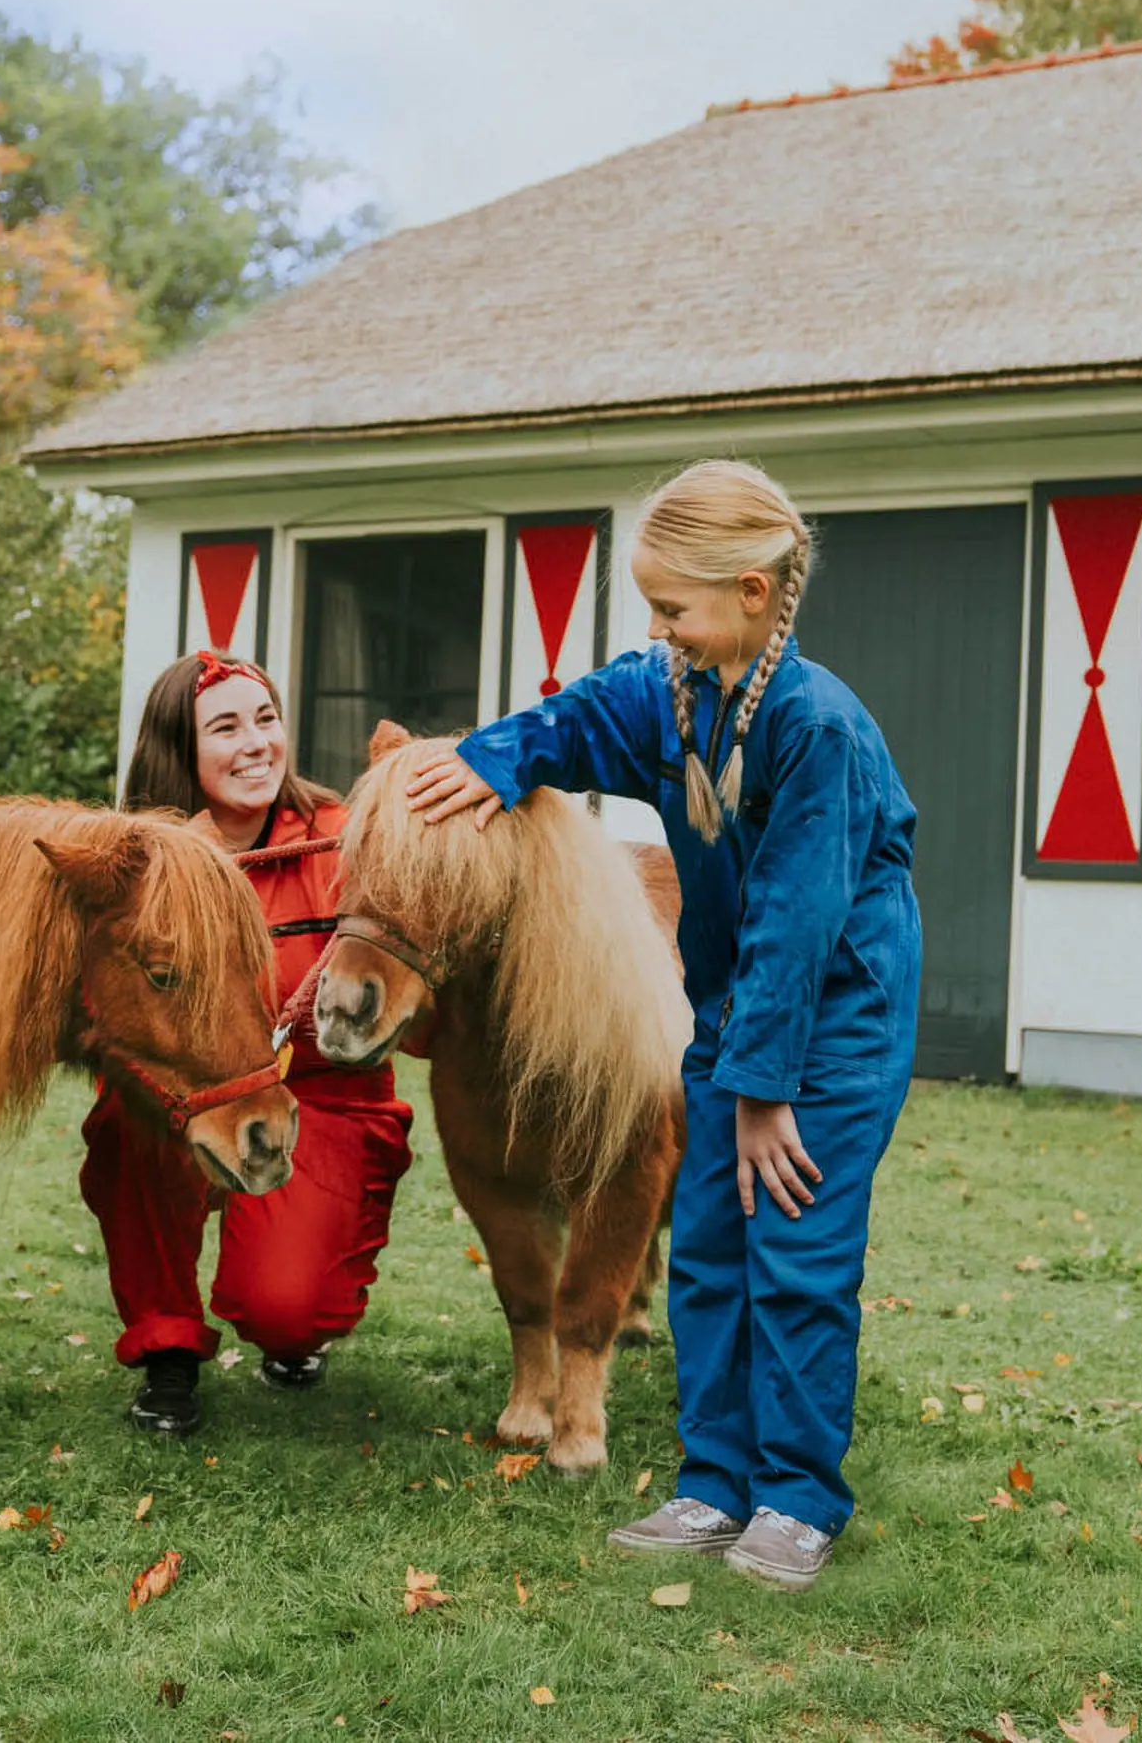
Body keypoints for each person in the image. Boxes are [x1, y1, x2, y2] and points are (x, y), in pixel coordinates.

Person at [400, 459, 920, 1594]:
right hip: (736, 1010)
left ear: (750, 592)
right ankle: (715, 1482)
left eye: (671, 606)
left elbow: (799, 921)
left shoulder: (816, 727)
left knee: (795, 1252)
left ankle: (796, 1500)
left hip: (835, 1018)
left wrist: (765, 1095)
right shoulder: (675, 690)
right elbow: (578, 718)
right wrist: (486, 763)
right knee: (711, 1250)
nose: (655, 627)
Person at [81, 650, 417, 1436]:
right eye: (226, 728)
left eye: (266, 719)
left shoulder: (342, 842)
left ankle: (291, 1330)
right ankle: (167, 1348)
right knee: (129, 1118)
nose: (257, 743)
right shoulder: (139, 864)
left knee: (289, 1312)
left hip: (322, 1094)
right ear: (180, 750)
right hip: (188, 1092)